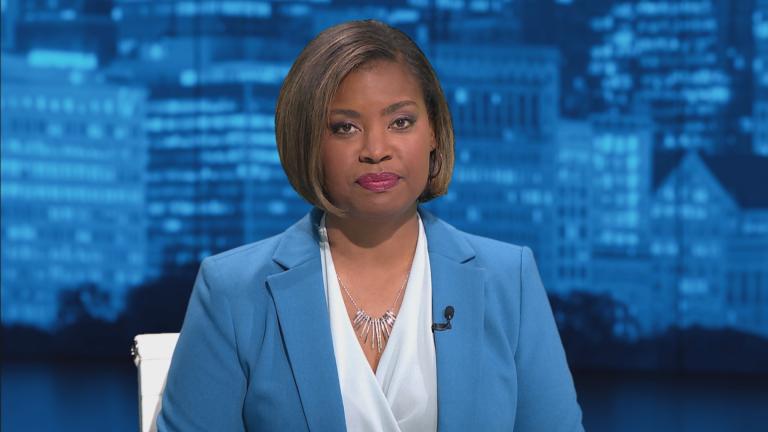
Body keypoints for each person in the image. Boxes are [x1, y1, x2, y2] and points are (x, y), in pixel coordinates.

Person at [157, 19, 584, 432]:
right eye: (345, 128)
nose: (376, 150)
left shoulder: (509, 281)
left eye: (400, 122)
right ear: (308, 142)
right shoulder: (233, 291)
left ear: (434, 132)